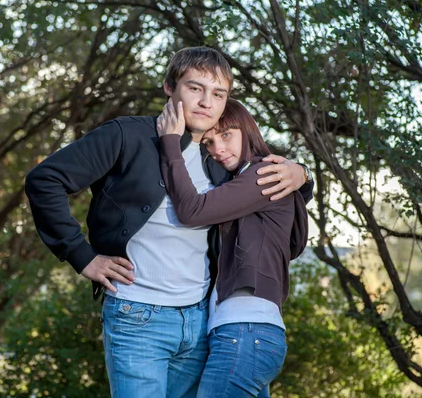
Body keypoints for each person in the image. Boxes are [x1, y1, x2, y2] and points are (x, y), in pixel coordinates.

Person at [24, 47, 313, 398]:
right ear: (169, 87)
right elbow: (45, 180)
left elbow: (264, 211)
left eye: (218, 94)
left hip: (202, 322)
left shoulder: (221, 159)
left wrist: (303, 175)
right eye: (195, 88)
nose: (207, 102)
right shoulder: (128, 136)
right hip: (137, 316)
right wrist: (80, 254)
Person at [156, 98, 308, 397]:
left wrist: (171, 142)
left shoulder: (262, 174)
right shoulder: (246, 180)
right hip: (247, 334)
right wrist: (304, 174)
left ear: (248, 130)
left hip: (245, 333)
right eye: (209, 142)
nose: (218, 149)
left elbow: (191, 211)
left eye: (227, 135)